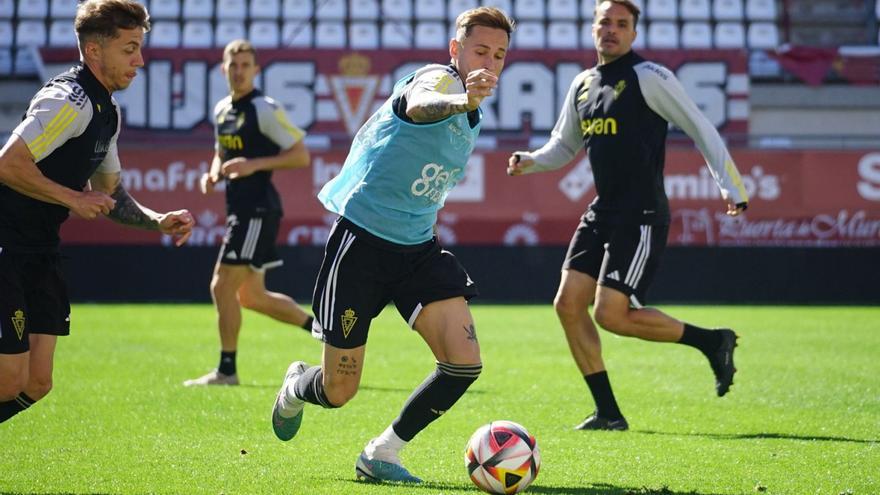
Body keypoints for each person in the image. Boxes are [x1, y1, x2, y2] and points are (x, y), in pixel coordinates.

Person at [269, 7, 515, 484]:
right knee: (339, 391)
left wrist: (469, 103)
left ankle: (383, 451)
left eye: (500, 54)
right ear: (455, 50)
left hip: (418, 250)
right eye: (481, 50)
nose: (490, 60)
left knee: (464, 365)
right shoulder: (437, 82)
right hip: (361, 245)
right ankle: (298, 386)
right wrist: (461, 99)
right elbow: (419, 105)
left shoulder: (472, 103)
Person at [507, 0, 749, 431]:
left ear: (634, 33)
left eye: (622, 24)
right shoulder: (583, 84)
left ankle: (713, 342)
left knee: (612, 315)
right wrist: (530, 160)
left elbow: (699, 126)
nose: (612, 30)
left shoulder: (650, 77)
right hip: (603, 212)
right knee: (567, 304)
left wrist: (731, 186)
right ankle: (609, 413)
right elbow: (563, 147)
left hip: (641, 214)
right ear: (593, 28)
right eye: (605, 22)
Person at [0, 0, 194, 424]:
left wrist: (157, 220)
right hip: (6, 247)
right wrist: (72, 198)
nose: (139, 61)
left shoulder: (107, 112)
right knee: (8, 380)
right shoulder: (68, 99)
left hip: (39, 250)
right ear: (93, 51)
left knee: (37, 383)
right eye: (129, 49)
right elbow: (8, 163)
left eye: (139, 48)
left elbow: (110, 195)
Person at [183, 39, 314, 387]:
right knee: (251, 296)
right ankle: (321, 329)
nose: (239, 71)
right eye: (233, 64)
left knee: (221, 286)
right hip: (240, 209)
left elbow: (301, 155)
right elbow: (220, 152)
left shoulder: (264, 108)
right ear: (223, 69)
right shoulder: (222, 109)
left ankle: (227, 370)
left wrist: (254, 164)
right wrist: (213, 172)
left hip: (257, 210)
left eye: (246, 65)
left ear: (256, 71)